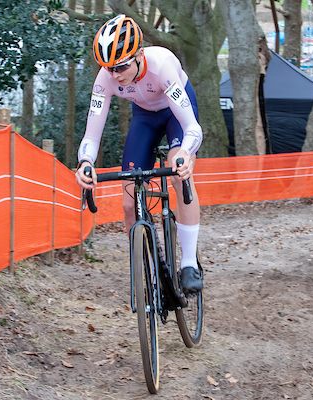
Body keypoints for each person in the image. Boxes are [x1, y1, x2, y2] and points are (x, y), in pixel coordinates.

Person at [75, 14, 203, 294]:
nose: (115, 75)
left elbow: (193, 127)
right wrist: (85, 162)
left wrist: (185, 154)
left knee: (177, 171)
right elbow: (91, 135)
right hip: (144, 117)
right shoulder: (106, 78)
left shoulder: (162, 66)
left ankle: (189, 264)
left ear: (140, 55)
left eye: (120, 66)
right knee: (129, 201)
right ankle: (149, 265)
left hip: (175, 113)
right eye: (108, 68)